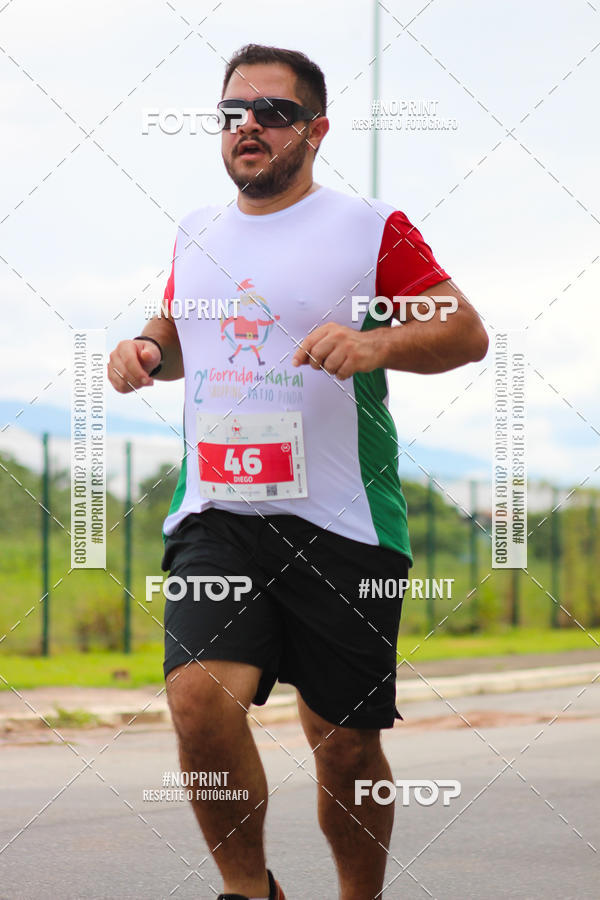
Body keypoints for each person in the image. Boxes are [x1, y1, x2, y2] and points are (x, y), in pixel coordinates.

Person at [108, 43, 488, 900]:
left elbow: (465, 333)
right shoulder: (198, 232)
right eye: (232, 113)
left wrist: (376, 344)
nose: (248, 127)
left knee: (344, 744)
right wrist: (145, 350)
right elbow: (177, 331)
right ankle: (249, 892)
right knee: (198, 701)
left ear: (315, 130)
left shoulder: (370, 227)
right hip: (217, 511)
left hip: (343, 520)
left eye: (272, 113)